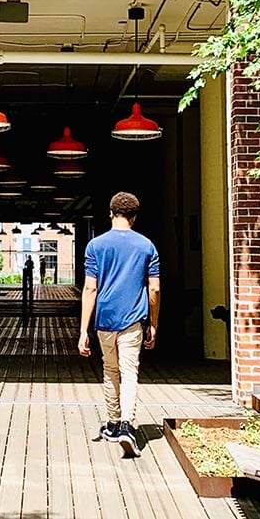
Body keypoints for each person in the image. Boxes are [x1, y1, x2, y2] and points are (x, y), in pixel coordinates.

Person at [78, 191, 160, 457]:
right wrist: (154, 323)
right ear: (134, 217)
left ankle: (112, 423)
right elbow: (155, 290)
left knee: (110, 370)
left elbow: (90, 288)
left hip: (105, 320)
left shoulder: (95, 246)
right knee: (129, 372)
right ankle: (127, 425)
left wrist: (83, 330)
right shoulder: (147, 246)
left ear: (110, 213)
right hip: (133, 320)